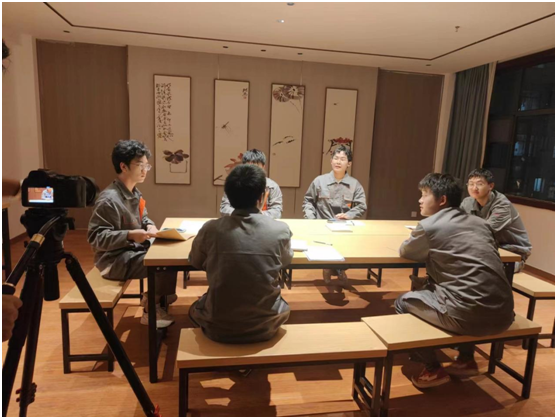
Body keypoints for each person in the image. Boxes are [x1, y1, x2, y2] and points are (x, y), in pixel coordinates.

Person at [396, 173, 514, 388]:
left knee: (402, 302)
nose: (420, 200)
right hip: (505, 314)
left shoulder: (430, 225)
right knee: (457, 289)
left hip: (468, 317)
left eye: (425, 195)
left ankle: (433, 369)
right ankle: (466, 360)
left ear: (442, 200)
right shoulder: (481, 223)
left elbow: (407, 251)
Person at [189, 164, 293, 343]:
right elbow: (285, 261)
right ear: (261, 197)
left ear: (229, 197)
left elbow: (195, 261)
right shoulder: (280, 230)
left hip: (217, 326)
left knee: (196, 307)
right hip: (267, 324)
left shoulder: (210, 229)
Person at [88, 140, 177, 328]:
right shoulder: (109, 200)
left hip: (130, 251)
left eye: (147, 166)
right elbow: (96, 238)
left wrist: (150, 226)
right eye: (140, 165)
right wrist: (129, 235)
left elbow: (144, 218)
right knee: (163, 262)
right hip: (112, 260)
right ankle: (150, 309)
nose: (145, 170)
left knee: (169, 254)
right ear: (123, 166)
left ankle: (157, 296)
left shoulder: (134, 193)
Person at [302, 145, 367, 287]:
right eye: (336, 158)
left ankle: (340, 269)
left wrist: (348, 215)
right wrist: (311, 220)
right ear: (331, 161)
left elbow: (361, 206)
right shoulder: (319, 181)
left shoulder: (354, 184)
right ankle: (328, 268)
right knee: (325, 250)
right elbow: (308, 201)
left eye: (342, 159)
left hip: (343, 227)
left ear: (349, 163)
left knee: (345, 249)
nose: (338, 162)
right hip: (322, 225)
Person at [461, 168, 532, 272]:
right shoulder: (467, 202)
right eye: (471, 184)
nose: (474, 188)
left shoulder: (502, 204)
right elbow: (459, 226)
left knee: (480, 272)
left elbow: (485, 231)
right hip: (487, 249)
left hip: (512, 252)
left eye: (479, 184)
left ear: (490, 186)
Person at [220, 149, 283, 219]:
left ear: (263, 167)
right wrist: (241, 215)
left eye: (256, 168)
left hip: (262, 223)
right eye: (249, 168)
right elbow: (224, 208)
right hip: (237, 222)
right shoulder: (234, 183)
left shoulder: (272, 186)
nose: (252, 172)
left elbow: (277, 211)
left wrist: (257, 215)